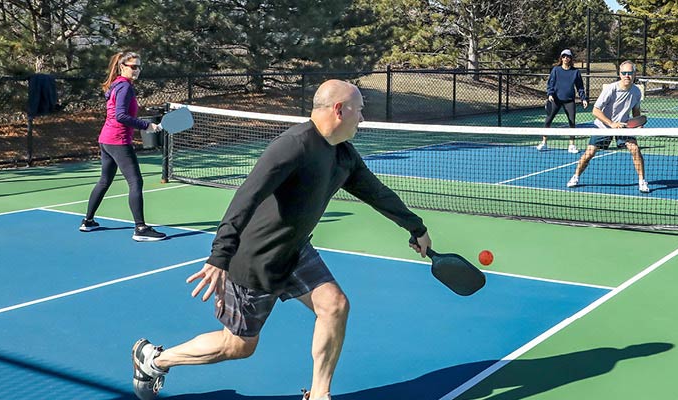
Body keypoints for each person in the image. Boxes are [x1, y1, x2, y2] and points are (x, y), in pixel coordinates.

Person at [130, 80, 433, 400]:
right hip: (257, 257)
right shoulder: (294, 145)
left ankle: (319, 394)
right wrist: (220, 256)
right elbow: (247, 196)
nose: (362, 119)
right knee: (238, 346)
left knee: (335, 306)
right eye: (359, 111)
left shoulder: (343, 154)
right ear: (339, 110)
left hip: (295, 250)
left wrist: (416, 227)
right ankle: (154, 359)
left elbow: (376, 193)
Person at [79, 51, 167, 241]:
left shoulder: (117, 85)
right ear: (122, 67)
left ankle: (88, 221)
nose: (136, 70)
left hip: (106, 139)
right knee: (136, 182)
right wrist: (146, 125)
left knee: (104, 181)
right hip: (117, 141)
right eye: (133, 66)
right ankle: (140, 228)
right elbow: (120, 116)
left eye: (139, 66)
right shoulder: (124, 87)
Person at [566, 61, 649, 193]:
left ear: (634, 74)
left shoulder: (636, 91)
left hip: (623, 127)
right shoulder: (611, 89)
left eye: (630, 73)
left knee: (635, 149)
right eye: (624, 73)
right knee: (589, 153)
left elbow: (636, 111)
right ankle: (575, 177)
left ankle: (642, 181)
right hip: (604, 126)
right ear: (620, 74)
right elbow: (595, 110)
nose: (627, 76)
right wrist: (611, 124)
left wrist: (637, 124)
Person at [538, 49, 588, 153]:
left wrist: (583, 98)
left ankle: (572, 145)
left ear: (571, 58)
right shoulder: (556, 70)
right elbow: (550, 84)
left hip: (569, 101)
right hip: (555, 100)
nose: (566, 58)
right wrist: (550, 94)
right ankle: (544, 143)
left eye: (568, 56)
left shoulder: (575, 72)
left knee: (572, 122)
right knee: (548, 120)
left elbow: (580, 87)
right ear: (561, 58)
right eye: (564, 56)